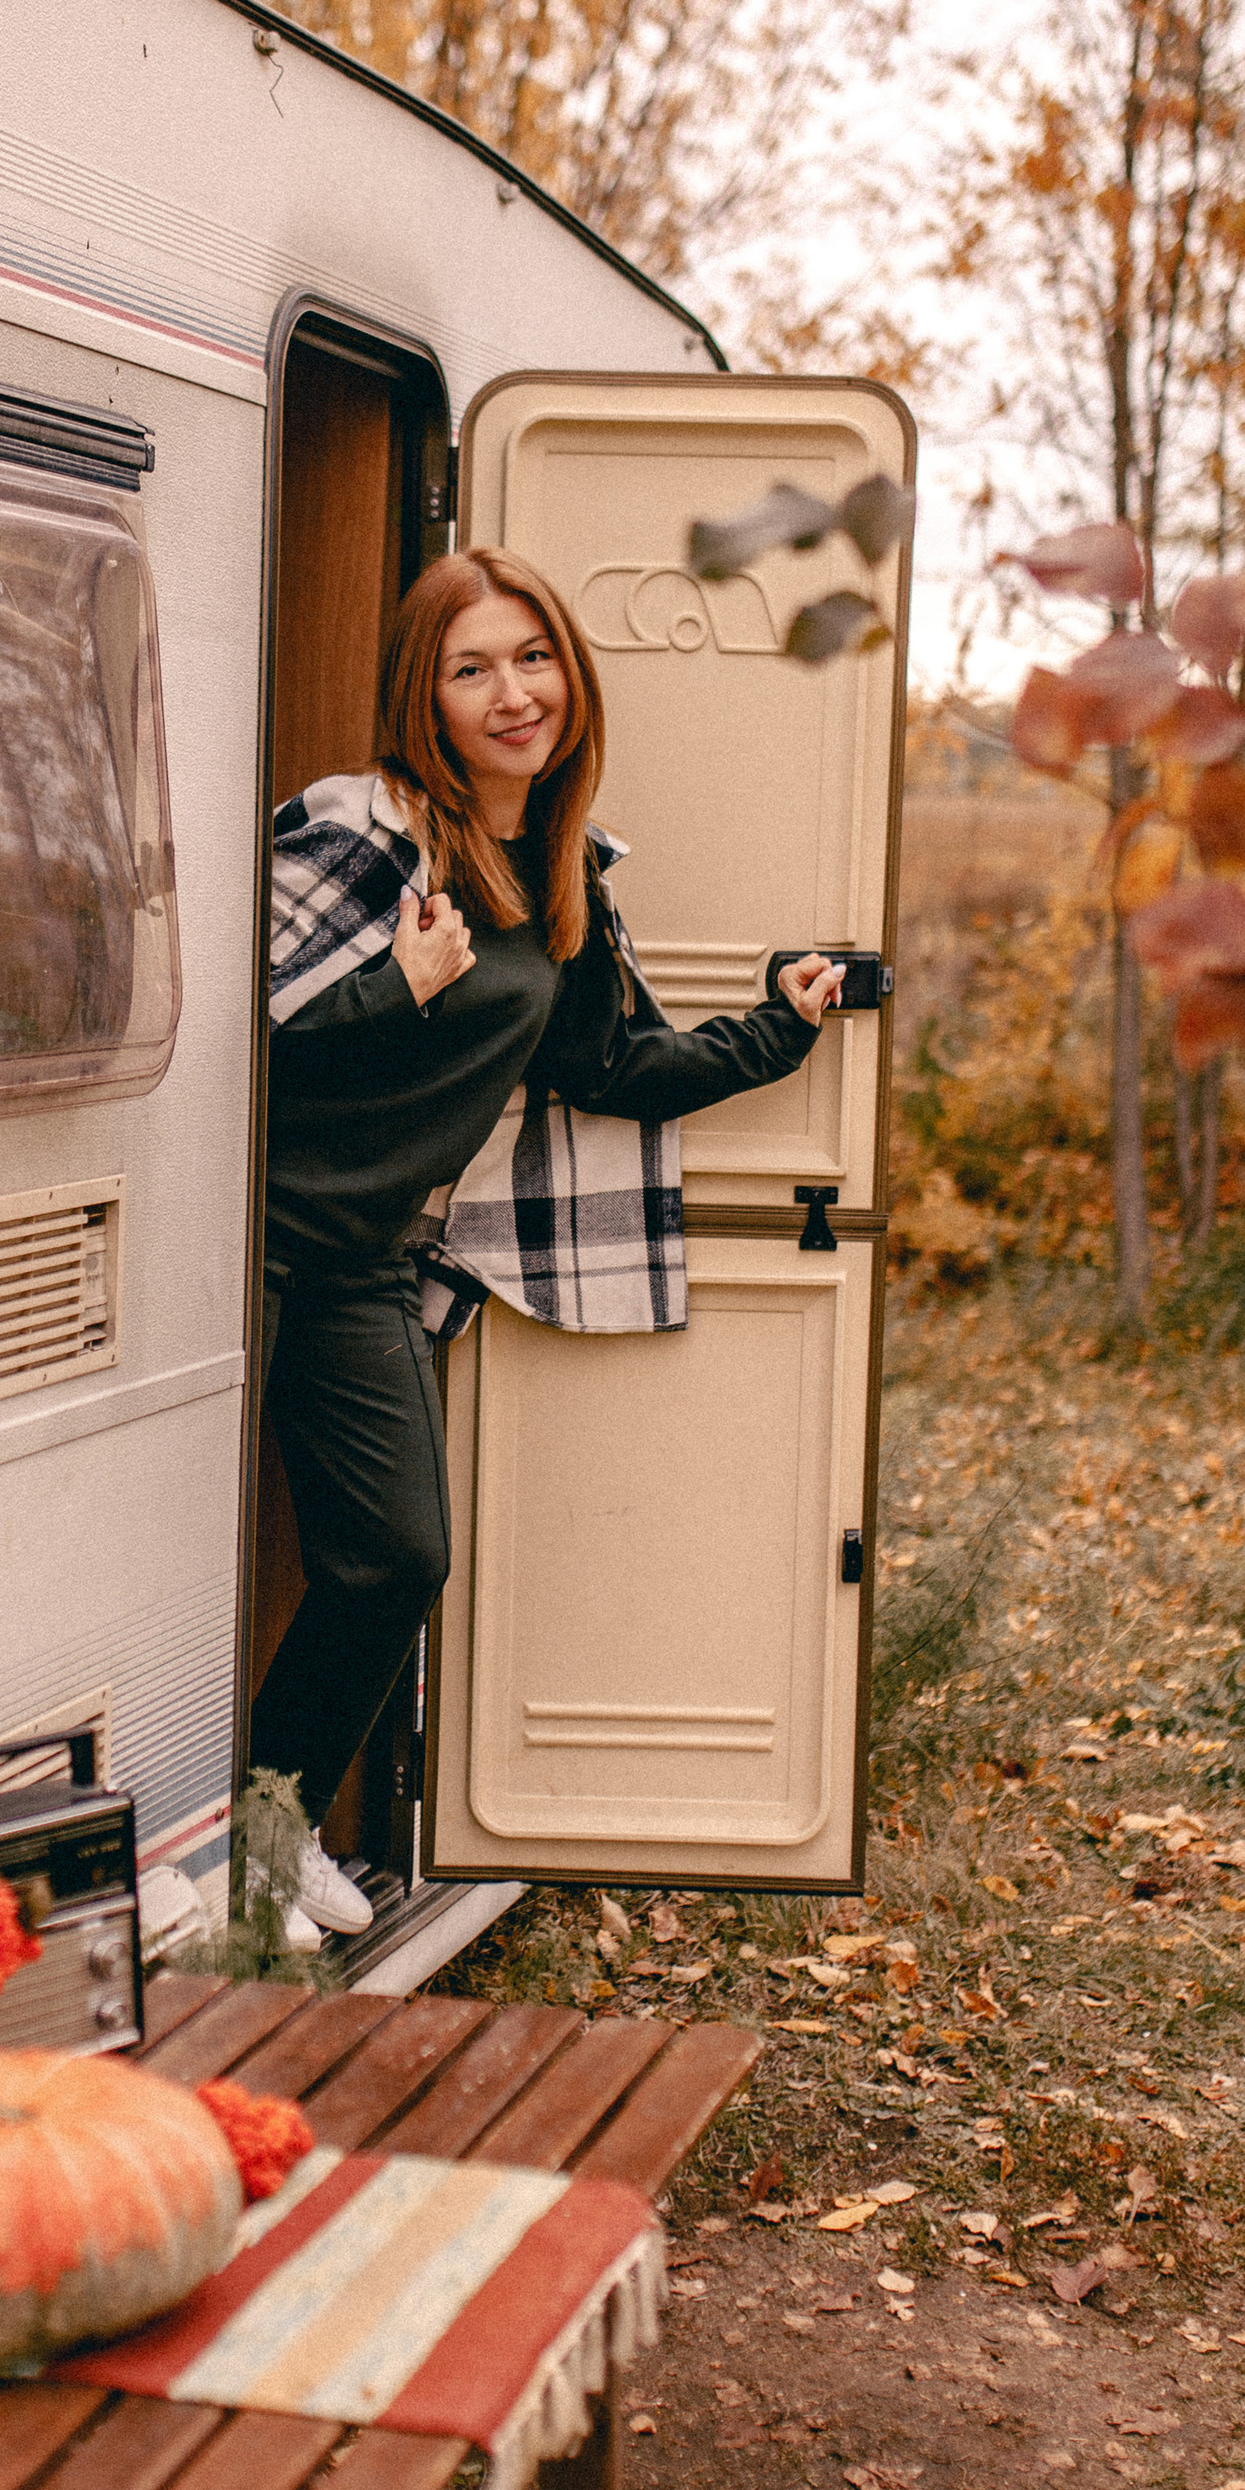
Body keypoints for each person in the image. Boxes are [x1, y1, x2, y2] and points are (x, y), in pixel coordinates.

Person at [253, 548, 844, 1943]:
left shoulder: (554, 870)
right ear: (426, 697)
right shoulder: (365, 835)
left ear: (571, 674)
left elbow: (616, 1064)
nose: (513, 693)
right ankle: (227, 1868)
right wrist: (392, 989)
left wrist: (781, 1025)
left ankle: (262, 1845)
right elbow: (233, 1031)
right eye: (472, 669)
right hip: (241, 1253)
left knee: (396, 1559)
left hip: (361, 1263)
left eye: (534, 658)